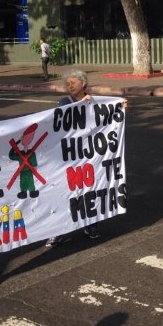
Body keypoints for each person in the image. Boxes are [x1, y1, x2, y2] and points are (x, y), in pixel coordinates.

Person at [47, 69, 128, 245]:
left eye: (73, 83)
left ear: (83, 83)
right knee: (67, 190)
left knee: (90, 189)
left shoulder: (95, 102)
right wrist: (81, 104)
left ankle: (91, 224)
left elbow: (107, 117)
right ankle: (61, 229)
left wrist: (120, 107)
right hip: (70, 155)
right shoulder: (64, 102)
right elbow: (63, 117)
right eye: (67, 84)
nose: (69, 86)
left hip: (90, 155)